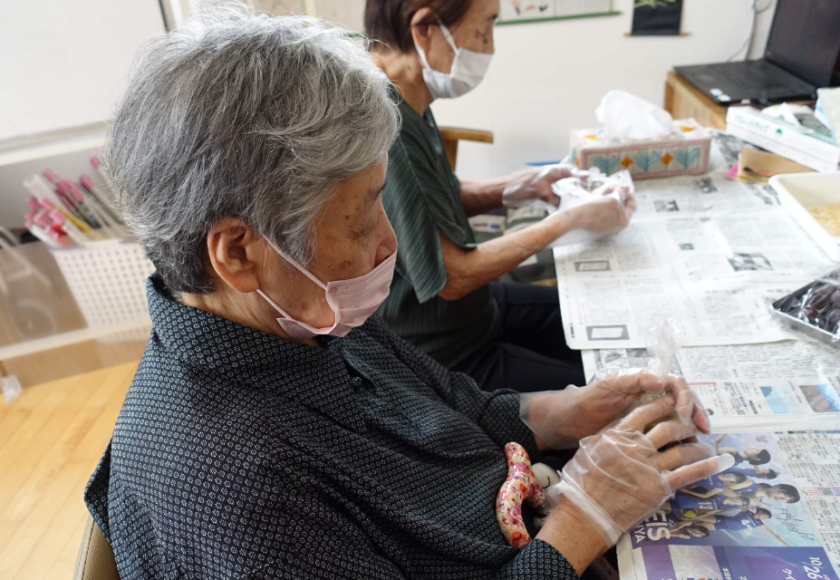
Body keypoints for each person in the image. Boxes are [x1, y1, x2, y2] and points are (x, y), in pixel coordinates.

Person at [82, 7, 727, 579]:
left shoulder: (303, 318)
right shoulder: (239, 496)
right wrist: (584, 517)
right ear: (238, 252)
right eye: (362, 218)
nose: (389, 244)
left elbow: (453, 403)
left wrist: (564, 411)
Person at [363, 0, 635, 392]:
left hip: (474, 311)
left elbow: (435, 199)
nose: (488, 48)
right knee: (628, 398)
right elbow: (452, 275)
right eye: (483, 30)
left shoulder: (405, 93)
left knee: (610, 319)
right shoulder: (387, 126)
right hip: (442, 352)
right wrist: (571, 219)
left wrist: (516, 188)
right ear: (424, 29)